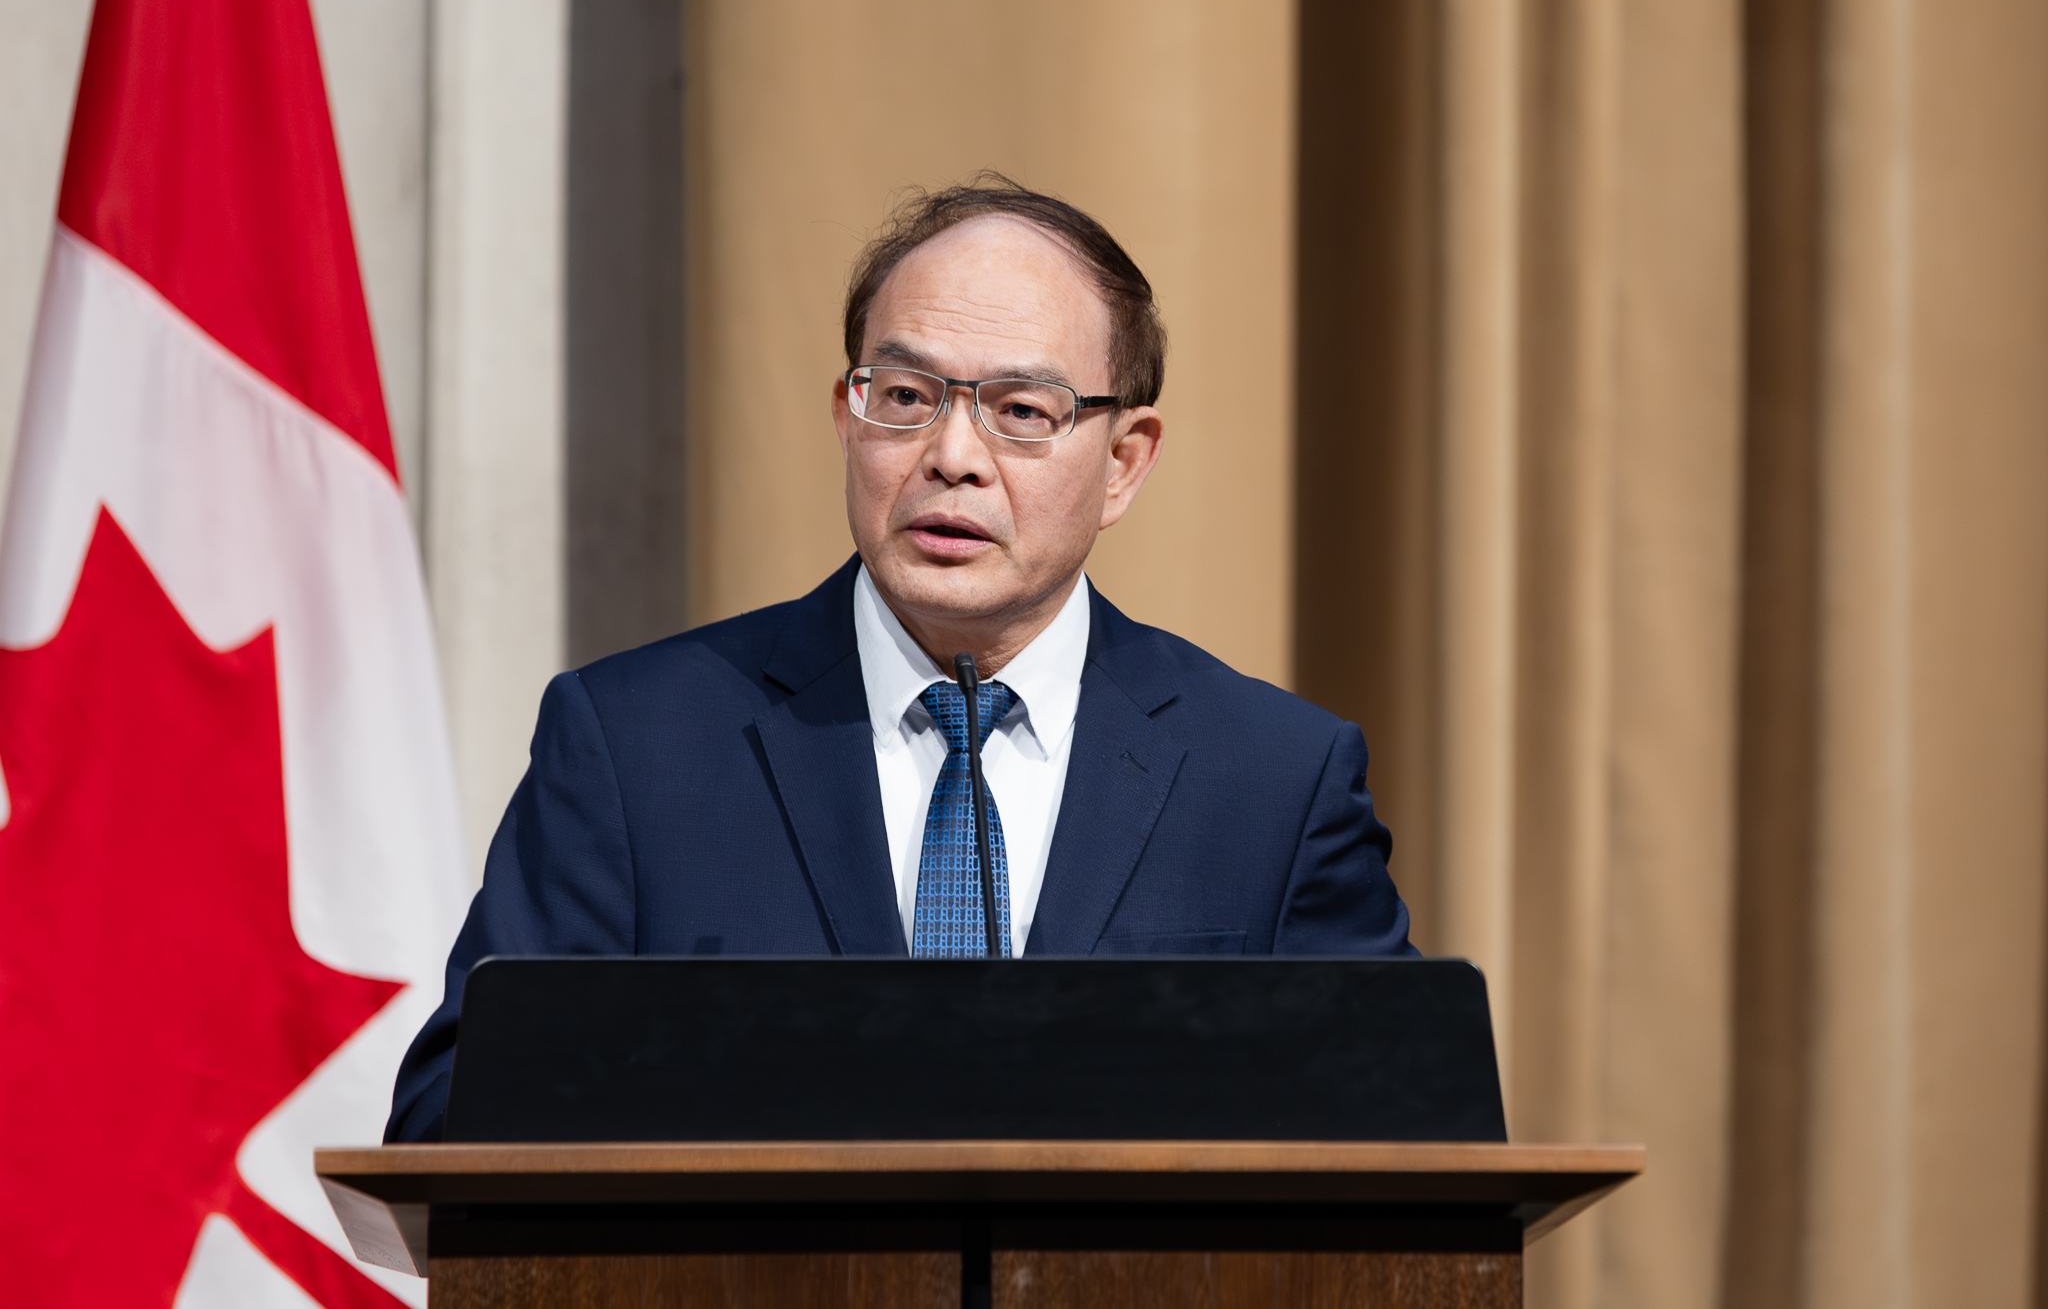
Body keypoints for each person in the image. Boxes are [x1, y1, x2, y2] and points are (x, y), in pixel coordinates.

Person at [385, 175, 1413, 1142]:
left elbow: (1405, 1151)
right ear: (847, 417)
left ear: (1122, 462)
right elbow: (452, 1125)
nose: (952, 457)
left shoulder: (1273, 781)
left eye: (1022, 412)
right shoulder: (634, 745)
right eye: (908, 396)